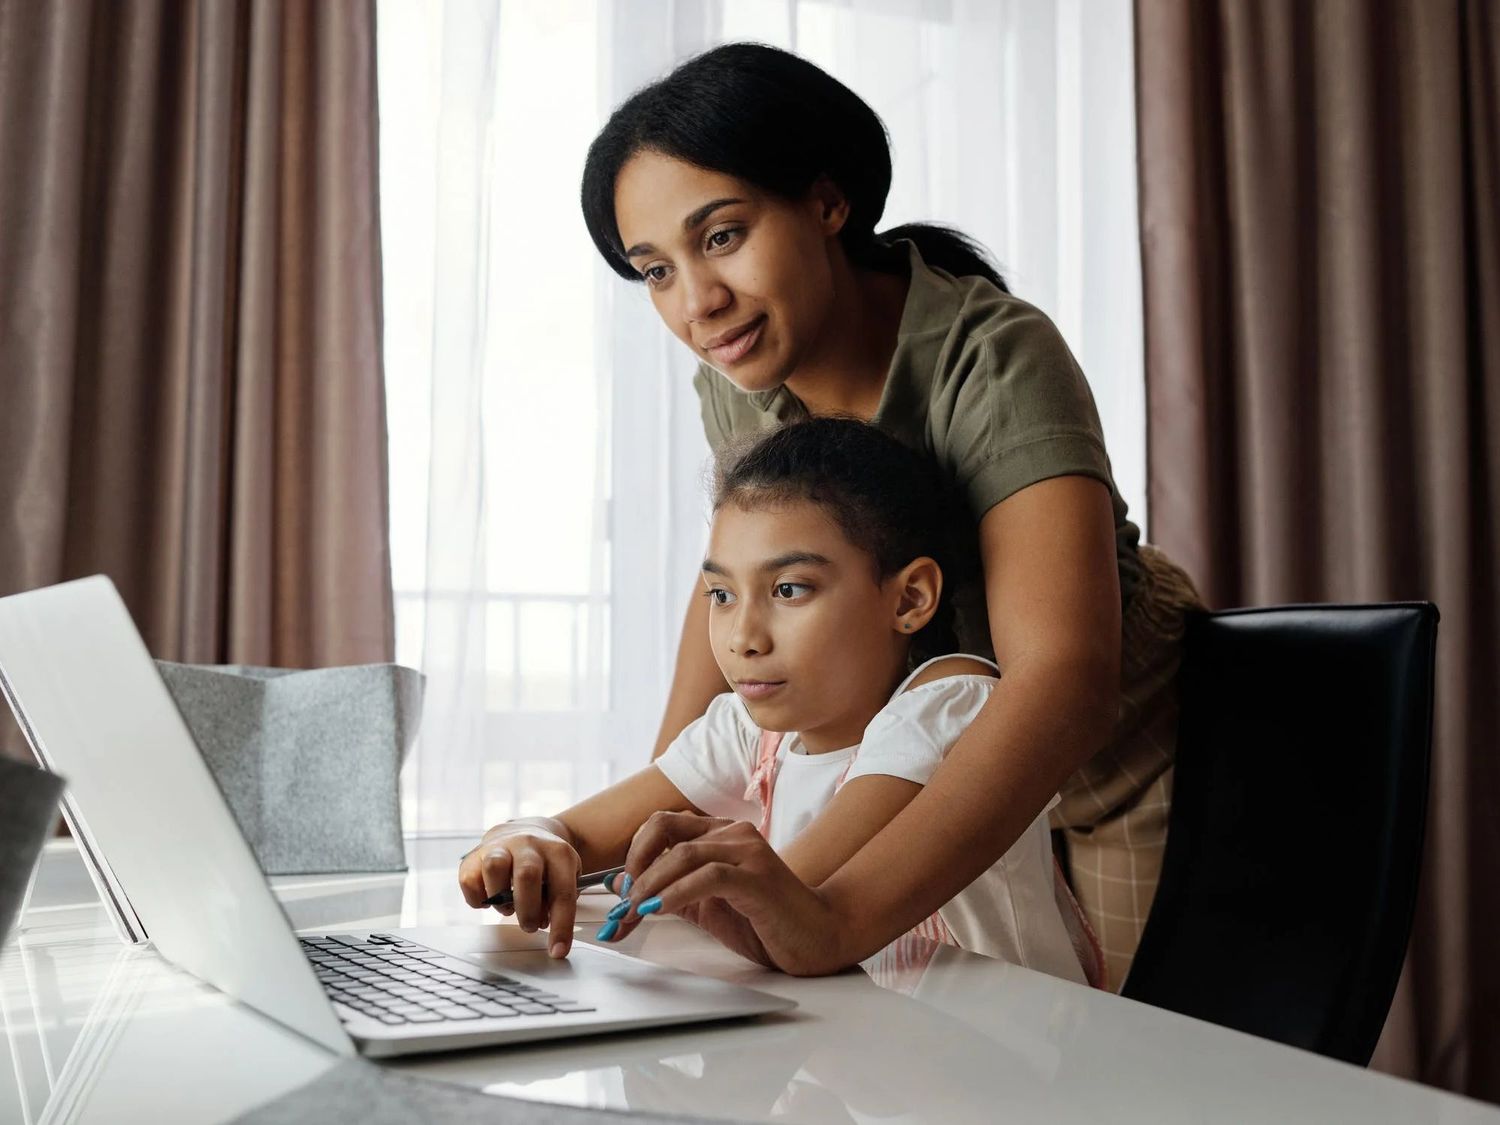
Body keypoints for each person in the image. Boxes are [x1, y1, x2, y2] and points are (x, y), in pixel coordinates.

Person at [542, 41, 1202, 985]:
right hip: (917, 759)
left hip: (1103, 765)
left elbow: (1062, 677)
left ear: (827, 201)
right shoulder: (736, 374)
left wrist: (836, 914)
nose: (697, 302)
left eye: (721, 236)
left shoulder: (994, 355)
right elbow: (734, 584)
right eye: (655, 270)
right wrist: (665, 826)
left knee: (1122, 1071)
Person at [459, 417, 1090, 985]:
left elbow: (788, 908)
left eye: (789, 589)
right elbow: (574, 830)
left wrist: (659, 878)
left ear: (909, 599)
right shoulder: (750, 731)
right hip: (865, 1060)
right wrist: (524, 841)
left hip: (995, 1069)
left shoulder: (951, 705)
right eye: (722, 595)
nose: (742, 638)